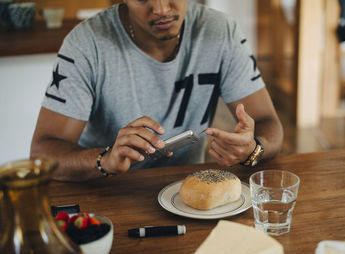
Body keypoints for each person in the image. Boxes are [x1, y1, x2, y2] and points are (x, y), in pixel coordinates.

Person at [30, 0, 283, 182]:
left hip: (186, 188)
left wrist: (253, 149)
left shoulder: (220, 32)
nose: (161, 9)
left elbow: (268, 122)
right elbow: (43, 152)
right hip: (104, 191)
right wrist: (104, 160)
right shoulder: (87, 44)